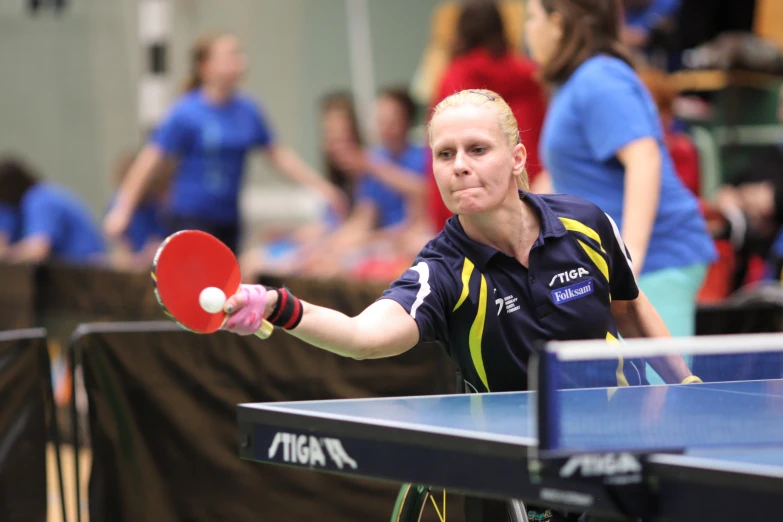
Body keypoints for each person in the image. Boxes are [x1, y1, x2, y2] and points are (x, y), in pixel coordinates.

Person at [219, 89, 697, 521]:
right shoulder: (443, 271)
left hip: (626, 450)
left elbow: (630, 309)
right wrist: (277, 306)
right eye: (444, 154)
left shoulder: (587, 224)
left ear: (516, 159)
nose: (459, 166)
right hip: (528, 480)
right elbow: (363, 337)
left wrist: (686, 387)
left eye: (477, 150)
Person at [525, 0, 716, 382]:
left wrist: (629, 261)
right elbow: (560, 179)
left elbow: (644, 157)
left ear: (558, 23)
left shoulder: (600, 77)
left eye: (532, 17)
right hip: (616, 267)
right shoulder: (574, 84)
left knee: (669, 399)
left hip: (659, 260)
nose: (527, 30)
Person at [103, 33, 346, 253]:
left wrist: (322, 187)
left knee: (226, 295)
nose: (239, 60)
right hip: (191, 218)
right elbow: (150, 159)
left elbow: (280, 156)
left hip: (229, 220)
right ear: (206, 66)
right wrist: (123, 209)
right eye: (230, 55)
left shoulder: (248, 110)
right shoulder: (186, 112)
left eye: (240, 54)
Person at [427, 0, 548, 231]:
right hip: (530, 191)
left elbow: (441, 150)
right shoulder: (529, 76)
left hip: (470, 208)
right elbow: (542, 136)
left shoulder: (453, 77)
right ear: (501, 27)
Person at [0, 157, 105, 264]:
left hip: (85, 269)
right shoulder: (17, 208)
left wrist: (6, 254)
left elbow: (38, 250)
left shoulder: (40, 199)